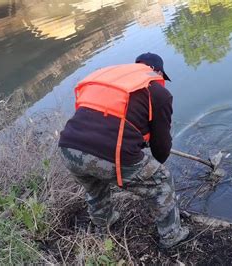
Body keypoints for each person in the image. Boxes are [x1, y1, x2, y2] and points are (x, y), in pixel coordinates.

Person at [58, 52, 189, 248]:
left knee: (94, 183)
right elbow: (161, 150)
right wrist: (150, 163)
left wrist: (138, 141)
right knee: (161, 181)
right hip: (108, 154)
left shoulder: (113, 80)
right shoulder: (159, 93)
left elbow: (107, 119)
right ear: (158, 72)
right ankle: (171, 236)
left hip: (68, 148)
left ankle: (104, 223)